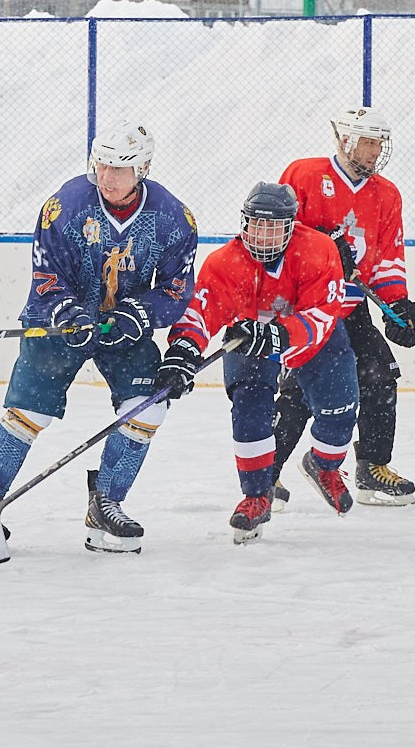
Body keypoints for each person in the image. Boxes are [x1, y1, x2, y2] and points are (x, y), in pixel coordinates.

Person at [0, 124, 199, 557]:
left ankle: (106, 503)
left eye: (119, 168)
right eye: (102, 164)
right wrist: (68, 312)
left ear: (142, 168)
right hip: (59, 324)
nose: (107, 176)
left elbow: (177, 289)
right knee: (28, 412)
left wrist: (139, 313)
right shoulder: (64, 206)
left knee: (148, 407)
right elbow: (46, 276)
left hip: (124, 329)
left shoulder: (172, 218)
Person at [153, 181, 362, 544]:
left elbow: (323, 313)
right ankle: (256, 496)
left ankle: (324, 466)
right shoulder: (224, 262)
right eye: (255, 224)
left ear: (291, 225)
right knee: (248, 412)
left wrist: (281, 334)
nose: (262, 234)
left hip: (312, 341)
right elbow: (199, 314)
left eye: (273, 226)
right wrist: (183, 351)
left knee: (340, 408)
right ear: (244, 222)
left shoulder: (318, 249)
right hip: (250, 343)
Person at [268, 107, 415, 506]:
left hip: (352, 308)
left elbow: (388, 257)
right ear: (344, 140)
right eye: (367, 142)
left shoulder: (387, 194)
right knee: (302, 391)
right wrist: (321, 242)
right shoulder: (303, 175)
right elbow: (276, 233)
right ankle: (267, 473)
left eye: (378, 144)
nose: (373, 152)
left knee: (380, 375)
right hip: (309, 306)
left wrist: (398, 305)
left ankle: (371, 468)